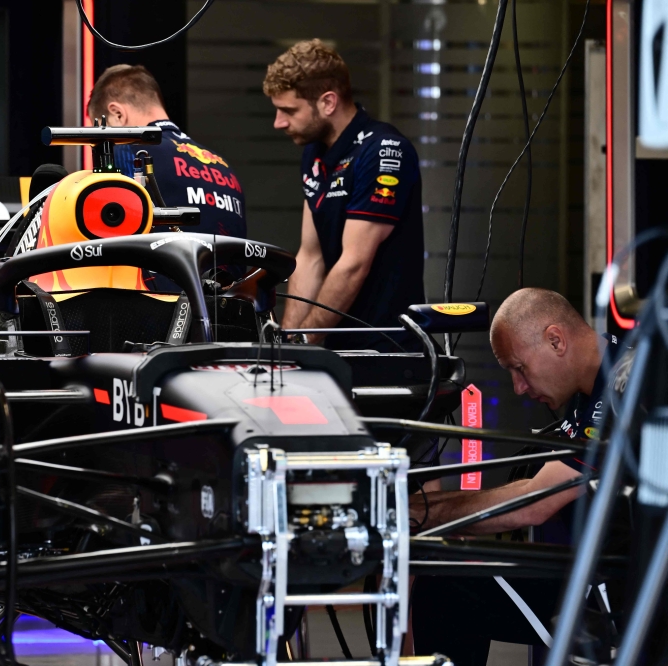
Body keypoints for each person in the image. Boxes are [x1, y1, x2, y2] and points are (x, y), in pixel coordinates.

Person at [410, 288, 630, 666]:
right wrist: (423, 511)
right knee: (450, 569)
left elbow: (534, 502)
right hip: (602, 573)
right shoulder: (598, 373)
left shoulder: (625, 384)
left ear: (555, 340)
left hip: (625, 599)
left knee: (446, 588)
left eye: (519, 368)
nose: (518, 387)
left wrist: (419, 516)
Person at [263, 39, 425, 351]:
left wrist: (305, 339)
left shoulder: (383, 150)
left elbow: (353, 263)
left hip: (385, 348)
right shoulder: (314, 153)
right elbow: (311, 256)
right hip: (335, 348)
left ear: (328, 102)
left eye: (288, 110)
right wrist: (286, 348)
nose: (279, 122)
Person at [87, 64, 246, 242]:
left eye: (104, 130)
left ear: (118, 114)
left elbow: (106, 238)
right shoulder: (223, 166)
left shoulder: (129, 151)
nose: (106, 144)